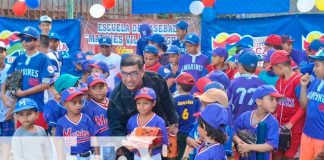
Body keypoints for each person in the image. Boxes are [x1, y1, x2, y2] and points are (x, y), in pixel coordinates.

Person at [108, 54, 178, 136]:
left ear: (142, 72)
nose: (129, 79)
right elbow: (115, 128)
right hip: (132, 139)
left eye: (134, 74)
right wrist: (125, 145)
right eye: (124, 74)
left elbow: (168, 104)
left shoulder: (157, 80)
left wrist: (174, 123)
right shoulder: (116, 96)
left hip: (159, 132)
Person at [5, 26, 54, 131]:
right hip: (21, 109)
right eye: (22, 39)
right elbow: (10, 79)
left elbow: (46, 84)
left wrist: (24, 93)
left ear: (37, 41)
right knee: (23, 140)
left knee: (39, 140)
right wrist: (14, 92)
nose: (24, 42)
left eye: (28, 39)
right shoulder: (18, 59)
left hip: (38, 107)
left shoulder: (43, 59)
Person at [266, 50, 305, 160]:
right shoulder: (278, 82)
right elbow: (277, 104)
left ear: (278, 66)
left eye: (273, 68)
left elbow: (303, 106)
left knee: (289, 157)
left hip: (294, 129)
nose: (273, 71)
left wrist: (290, 124)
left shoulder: (299, 80)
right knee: (276, 156)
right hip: (280, 127)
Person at [233, 85, 282, 160]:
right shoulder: (245, 116)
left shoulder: (273, 122)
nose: (275, 102)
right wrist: (239, 142)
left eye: (276, 99)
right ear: (259, 101)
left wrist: (249, 147)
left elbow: (271, 145)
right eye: (271, 99)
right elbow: (233, 131)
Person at [55, 87, 99, 159]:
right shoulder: (61, 122)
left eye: (80, 102)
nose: (78, 105)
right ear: (64, 104)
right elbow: (59, 144)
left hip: (89, 155)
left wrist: (97, 156)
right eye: (74, 102)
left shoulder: (86, 118)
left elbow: (94, 137)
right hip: (72, 157)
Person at [125, 87, 169, 160]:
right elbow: (129, 136)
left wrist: (149, 145)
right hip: (137, 156)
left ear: (153, 103)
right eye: (138, 103)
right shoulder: (132, 120)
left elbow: (164, 142)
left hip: (153, 156)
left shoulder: (159, 121)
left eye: (145, 103)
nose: (142, 106)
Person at [299, 49, 324, 160]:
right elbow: (304, 105)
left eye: (317, 65)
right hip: (307, 134)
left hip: (321, 139)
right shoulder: (316, 82)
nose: (314, 69)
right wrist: (304, 87)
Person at [227, 49, 264, 120]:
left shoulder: (233, 82)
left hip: (236, 120)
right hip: (254, 122)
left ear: (241, 66)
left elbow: (227, 103)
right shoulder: (261, 83)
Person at [173, 73, 200, 159]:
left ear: (179, 87)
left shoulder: (175, 100)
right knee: (191, 153)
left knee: (181, 154)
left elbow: (174, 117)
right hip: (193, 132)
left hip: (181, 131)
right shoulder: (196, 99)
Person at [0, 41, 14, 160]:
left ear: (6, 53)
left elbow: (16, 91)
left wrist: (13, 109)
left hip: (6, 114)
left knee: (6, 142)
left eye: (1, 51)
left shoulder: (11, 70)